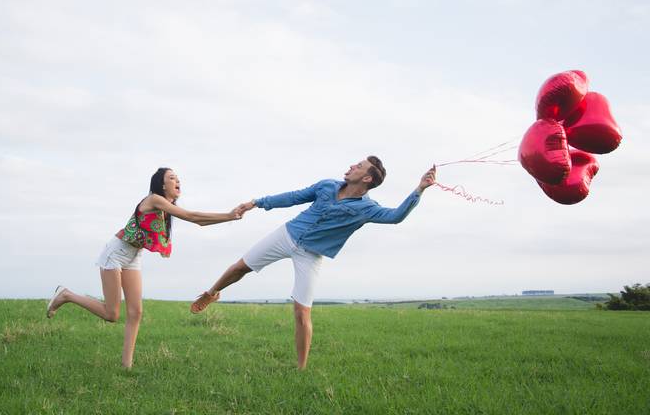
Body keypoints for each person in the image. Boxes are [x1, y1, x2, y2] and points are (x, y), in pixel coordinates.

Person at [190, 157, 436, 369]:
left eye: (359, 166)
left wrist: (420, 189)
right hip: (287, 234)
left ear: (367, 178)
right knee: (240, 268)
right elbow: (294, 197)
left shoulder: (368, 208)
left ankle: (301, 369)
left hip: (311, 254)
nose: (352, 166)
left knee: (302, 312)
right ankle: (212, 293)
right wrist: (257, 202)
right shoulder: (327, 185)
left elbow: (395, 216)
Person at [46, 167, 244, 369]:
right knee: (111, 314)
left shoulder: (166, 208)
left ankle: (126, 366)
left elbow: (199, 222)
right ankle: (66, 295)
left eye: (178, 178)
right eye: (172, 178)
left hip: (133, 256)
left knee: (136, 312)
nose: (177, 181)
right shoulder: (155, 199)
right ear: (161, 185)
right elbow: (193, 216)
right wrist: (229, 215)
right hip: (116, 253)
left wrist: (230, 217)